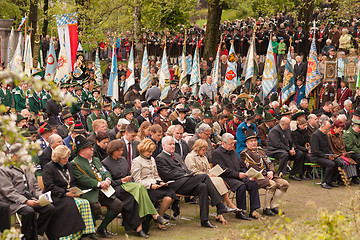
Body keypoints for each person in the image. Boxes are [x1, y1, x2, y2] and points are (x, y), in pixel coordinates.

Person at [156, 136, 236, 228]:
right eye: (170, 144)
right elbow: (169, 175)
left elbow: (186, 169)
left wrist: (191, 174)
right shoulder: (160, 158)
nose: (173, 146)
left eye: (173, 144)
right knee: (204, 176)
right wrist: (187, 175)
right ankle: (219, 205)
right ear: (163, 146)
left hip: (185, 182)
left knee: (203, 187)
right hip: (174, 185)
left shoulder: (177, 155)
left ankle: (205, 220)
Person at [102, 140, 168, 238]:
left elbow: (129, 174)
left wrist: (128, 178)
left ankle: (139, 228)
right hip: (116, 189)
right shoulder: (105, 163)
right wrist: (122, 181)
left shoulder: (123, 159)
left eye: (122, 150)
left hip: (129, 187)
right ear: (113, 151)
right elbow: (109, 182)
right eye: (119, 150)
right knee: (139, 188)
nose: (121, 152)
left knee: (137, 196)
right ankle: (155, 215)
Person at [71, 135, 123, 238]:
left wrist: (107, 180)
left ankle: (101, 228)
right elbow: (82, 179)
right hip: (88, 192)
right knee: (96, 207)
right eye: (89, 148)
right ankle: (89, 230)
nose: (92, 149)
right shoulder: (75, 163)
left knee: (117, 204)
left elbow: (105, 171)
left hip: (103, 190)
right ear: (81, 150)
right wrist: (99, 184)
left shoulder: (95, 160)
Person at [0, 143, 55, 240]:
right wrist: (25, 201)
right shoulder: (4, 169)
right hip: (13, 201)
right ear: (13, 156)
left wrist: (40, 196)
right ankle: (26, 236)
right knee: (28, 211)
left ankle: (37, 232)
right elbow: (9, 192)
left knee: (49, 208)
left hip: (28, 197)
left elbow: (34, 186)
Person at [42, 145, 96, 239]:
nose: (67, 159)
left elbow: (73, 182)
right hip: (55, 195)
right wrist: (65, 193)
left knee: (84, 203)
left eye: (68, 157)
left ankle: (84, 232)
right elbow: (49, 186)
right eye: (64, 158)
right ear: (58, 158)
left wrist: (75, 191)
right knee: (72, 204)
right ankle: (68, 234)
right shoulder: (49, 167)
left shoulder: (69, 165)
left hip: (68, 193)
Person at [185, 139, 239, 224]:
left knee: (219, 179)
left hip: (208, 178)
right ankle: (227, 206)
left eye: (206, 149)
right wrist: (207, 175)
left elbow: (208, 170)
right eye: (203, 149)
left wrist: (212, 173)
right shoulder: (190, 157)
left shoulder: (204, 157)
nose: (205, 151)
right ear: (197, 148)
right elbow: (191, 171)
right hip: (197, 180)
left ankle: (221, 212)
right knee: (217, 182)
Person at [240, 129, 289, 216]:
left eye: (255, 140)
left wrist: (271, 171)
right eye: (251, 141)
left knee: (284, 184)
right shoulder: (245, 154)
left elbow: (269, 162)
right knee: (272, 184)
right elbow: (252, 167)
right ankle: (267, 208)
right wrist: (266, 174)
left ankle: (273, 205)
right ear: (247, 143)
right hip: (257, 177)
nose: (254, 143)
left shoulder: (261, 150)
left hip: (268, 175)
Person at [211, 133, 261, 220]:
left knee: (252, 183)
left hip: (238, 176)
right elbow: (223, 170)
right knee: (241, 186)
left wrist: (247, 174)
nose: (232, 145)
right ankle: (240, 212)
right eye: (230, 144)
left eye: (233, 143)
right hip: (226, 178)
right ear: (223, 143)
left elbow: (240, 166)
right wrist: (238, 175)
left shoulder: (233, 152)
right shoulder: (217, 153)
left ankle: (253, 210)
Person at [132, 139, 177, 221]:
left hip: (155, 185)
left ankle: (160, 216)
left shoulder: (152, 159)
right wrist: (150, 186)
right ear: (142, 150)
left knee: (172, 193)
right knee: (168, 198)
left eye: (152, 151)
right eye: (149, 151)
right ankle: (159, 218)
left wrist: (161, 182)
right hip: (145, 188)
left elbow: (155, 175)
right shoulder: (136, 161)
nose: (151, 153)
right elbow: (137, 180)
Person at [310, 120, 343, 189]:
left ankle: (331, 180)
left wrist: (331, 155)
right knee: (331, 164)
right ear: (322, 127)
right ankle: (324, 182)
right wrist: (327, 156)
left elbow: (328, 147)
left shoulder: (325, 135)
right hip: (316, 157)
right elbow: (315, 150)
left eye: (329, 129)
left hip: (325, 156)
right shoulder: (315, 135)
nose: (328, 131)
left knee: (339, 162)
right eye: (327, 129)